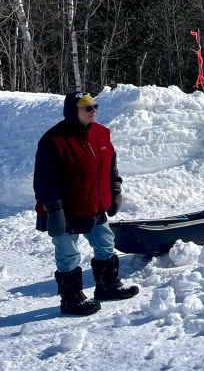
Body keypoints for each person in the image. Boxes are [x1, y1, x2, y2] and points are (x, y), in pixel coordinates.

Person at [34, 91, 139, 316]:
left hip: (95, 206)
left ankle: (107, 286)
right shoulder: (54, 140)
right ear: (73, 111)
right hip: (65, 210)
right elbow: (43, 179)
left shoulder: (101, 134)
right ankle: (71, 299)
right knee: (68, 254)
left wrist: (115, 190)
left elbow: (111, 167)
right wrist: (53, 209)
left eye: (95, 106)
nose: (94, 111)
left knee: (105, 244)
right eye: (87, 108)